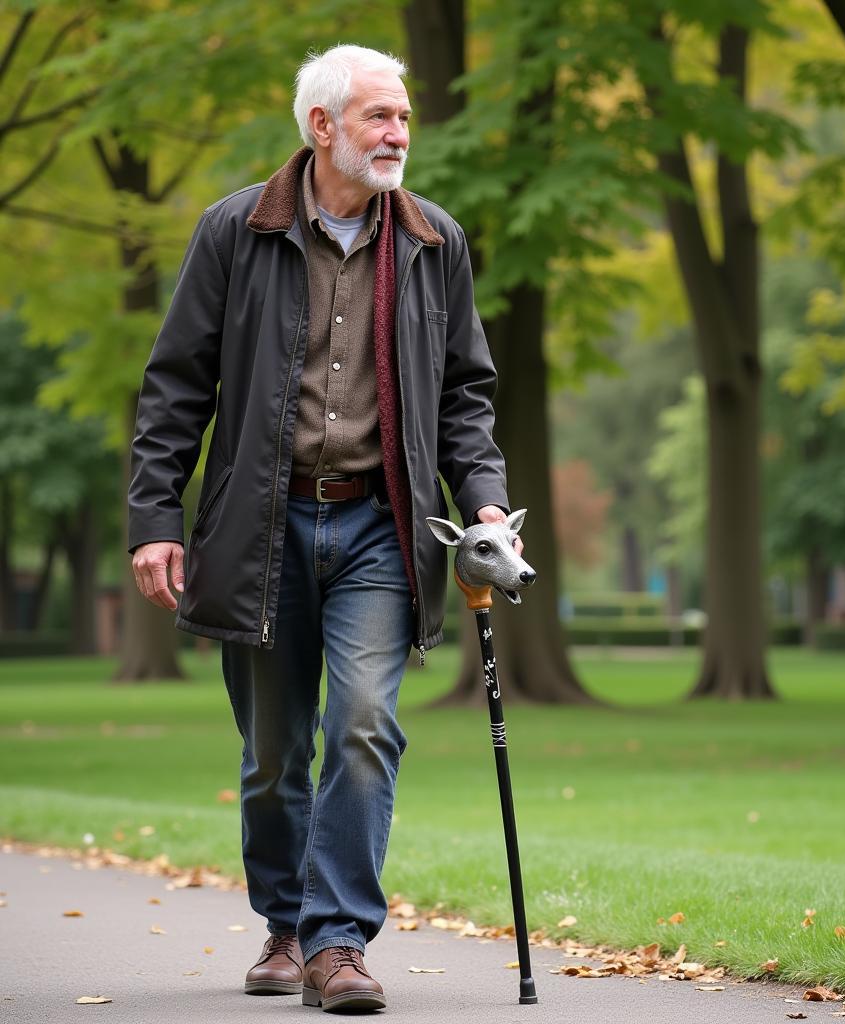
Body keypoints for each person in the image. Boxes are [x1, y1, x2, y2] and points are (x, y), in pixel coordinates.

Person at [127, 43, 520, 1014]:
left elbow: (467, 393)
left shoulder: (435, 240)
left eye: (403, 117)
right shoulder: (234, 230)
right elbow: (177, 383)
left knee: (361, 725)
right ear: (322, 127)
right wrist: (152, 518)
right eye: (379, 117)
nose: (399, 134)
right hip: (259, 528)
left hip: (380, 527)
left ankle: (339, 941)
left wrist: (482, 499)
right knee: (272, 751)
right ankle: (284, 924)